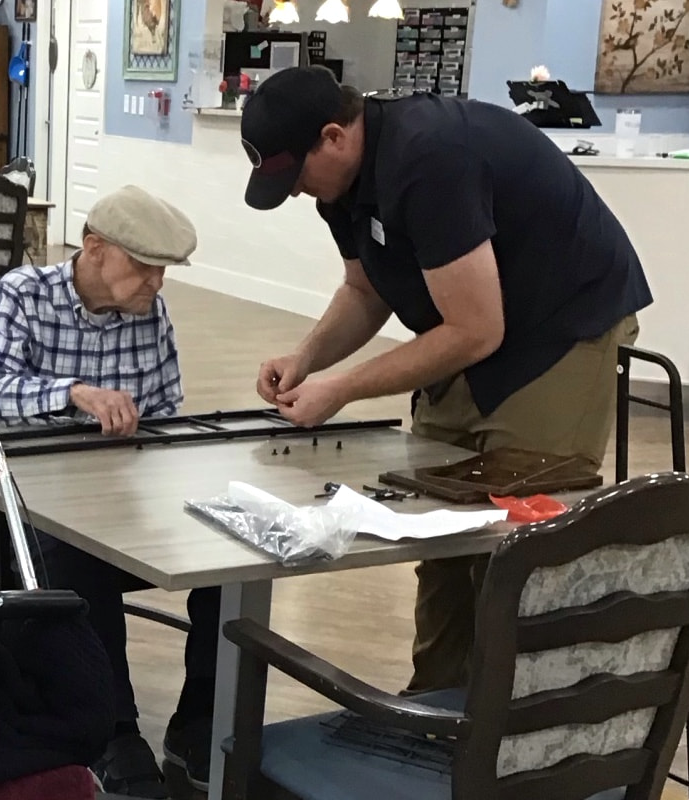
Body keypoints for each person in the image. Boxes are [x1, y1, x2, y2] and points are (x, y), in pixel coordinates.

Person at [239, 66, 653, 693]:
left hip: (560, 325)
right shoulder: (342, 185)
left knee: (517, 537)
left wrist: (344, 388)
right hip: (480, 323)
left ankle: (519, 724)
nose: (294, 191)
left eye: (294, 174)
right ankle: (434, 708)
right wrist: (307, 361)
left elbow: (476, 332)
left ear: (333, 136)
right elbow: (364, 288)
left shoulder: (428, 159)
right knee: (438, 522)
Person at [0, 185, 216, 798]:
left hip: (127, 497)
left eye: (164, 270)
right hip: (40, 506)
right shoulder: (24, 294)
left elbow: (165, 409)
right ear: (95, 248)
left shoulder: (149, 313)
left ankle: (200, 724)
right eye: (144, 266)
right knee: (82, 563)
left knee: (223, 563)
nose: (156, 283)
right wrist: (73, 392)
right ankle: (112, 730)